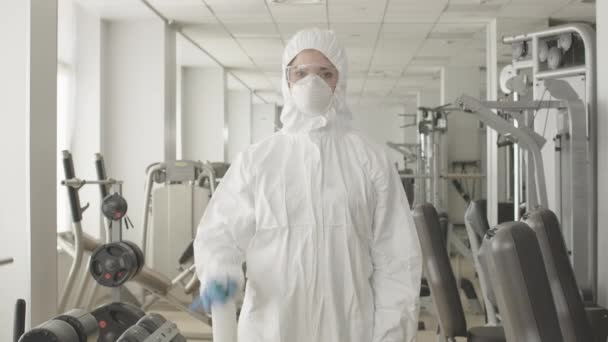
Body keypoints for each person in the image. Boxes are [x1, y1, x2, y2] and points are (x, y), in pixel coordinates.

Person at [193, 28, 422, 342]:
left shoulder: (370, 160)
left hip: (348, 327)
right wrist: (219, 269)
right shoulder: (258, 161)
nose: (311, 83)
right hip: (271, 328)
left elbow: (396, 258)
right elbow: (219, 233)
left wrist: (391, 334)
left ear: (339, 81)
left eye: (324, 73)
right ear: (287, 80)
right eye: (300, 73)